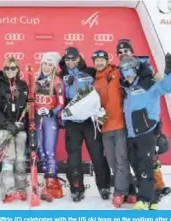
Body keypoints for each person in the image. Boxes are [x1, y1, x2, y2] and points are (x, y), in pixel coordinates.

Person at [116, 38, 171, 203]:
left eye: (126, 51)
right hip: (132, 127)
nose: (123, 54)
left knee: (148, 162)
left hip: (147, 124)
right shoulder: (123, 80)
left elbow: (162, 87)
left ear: (132, 52)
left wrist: (168, 72)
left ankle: (153, 192)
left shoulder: (145, 69)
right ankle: (151, 193)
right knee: (140, 163)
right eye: (119, 52)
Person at [59, 47, 111, 202]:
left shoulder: (90, 72)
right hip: (72, 123)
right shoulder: (62, 75)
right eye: (67, 59)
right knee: (73, 157)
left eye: (73, 59)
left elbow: (103, 82)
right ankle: (76, 188)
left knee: (97, 154)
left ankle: (104, 186)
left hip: (90, 122)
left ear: (79, 58)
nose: (70, 62)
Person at [92, 50, 134, 208]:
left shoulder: (117, 72)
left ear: (107, 60)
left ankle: (119, 192)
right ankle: (130, 191)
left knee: (122, 160)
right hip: (106, 128)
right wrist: (97, 115)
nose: (99, 63)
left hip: (121, 125)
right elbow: (94, 106)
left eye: (102, 60)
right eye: (96, 61)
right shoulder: (94, 82)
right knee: (113, 162)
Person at [0, 57, 29, 203]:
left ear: (18, 69)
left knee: (20, 159)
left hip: (19, 128)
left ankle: (21, 189)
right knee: (8, 158)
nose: (10, 71)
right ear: (4, 70)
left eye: (13, 68)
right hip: (3, 129)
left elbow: (27, 109)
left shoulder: (23, 85)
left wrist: (24, 124)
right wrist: (7, 124)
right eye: (7, 68)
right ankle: (9, 190)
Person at [34, 52, 65, 202]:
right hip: (37, 117)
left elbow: (61, 103)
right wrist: (34, 109)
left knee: (49, 151)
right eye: (45, 63)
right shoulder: (35, 78)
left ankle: (51, 185)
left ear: (54, 66)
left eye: (50, 64)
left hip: (50, 119)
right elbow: (30, 99)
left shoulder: (57, 81)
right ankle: (47, 182)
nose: (47, 66)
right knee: (40, 150)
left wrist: (50, 111)